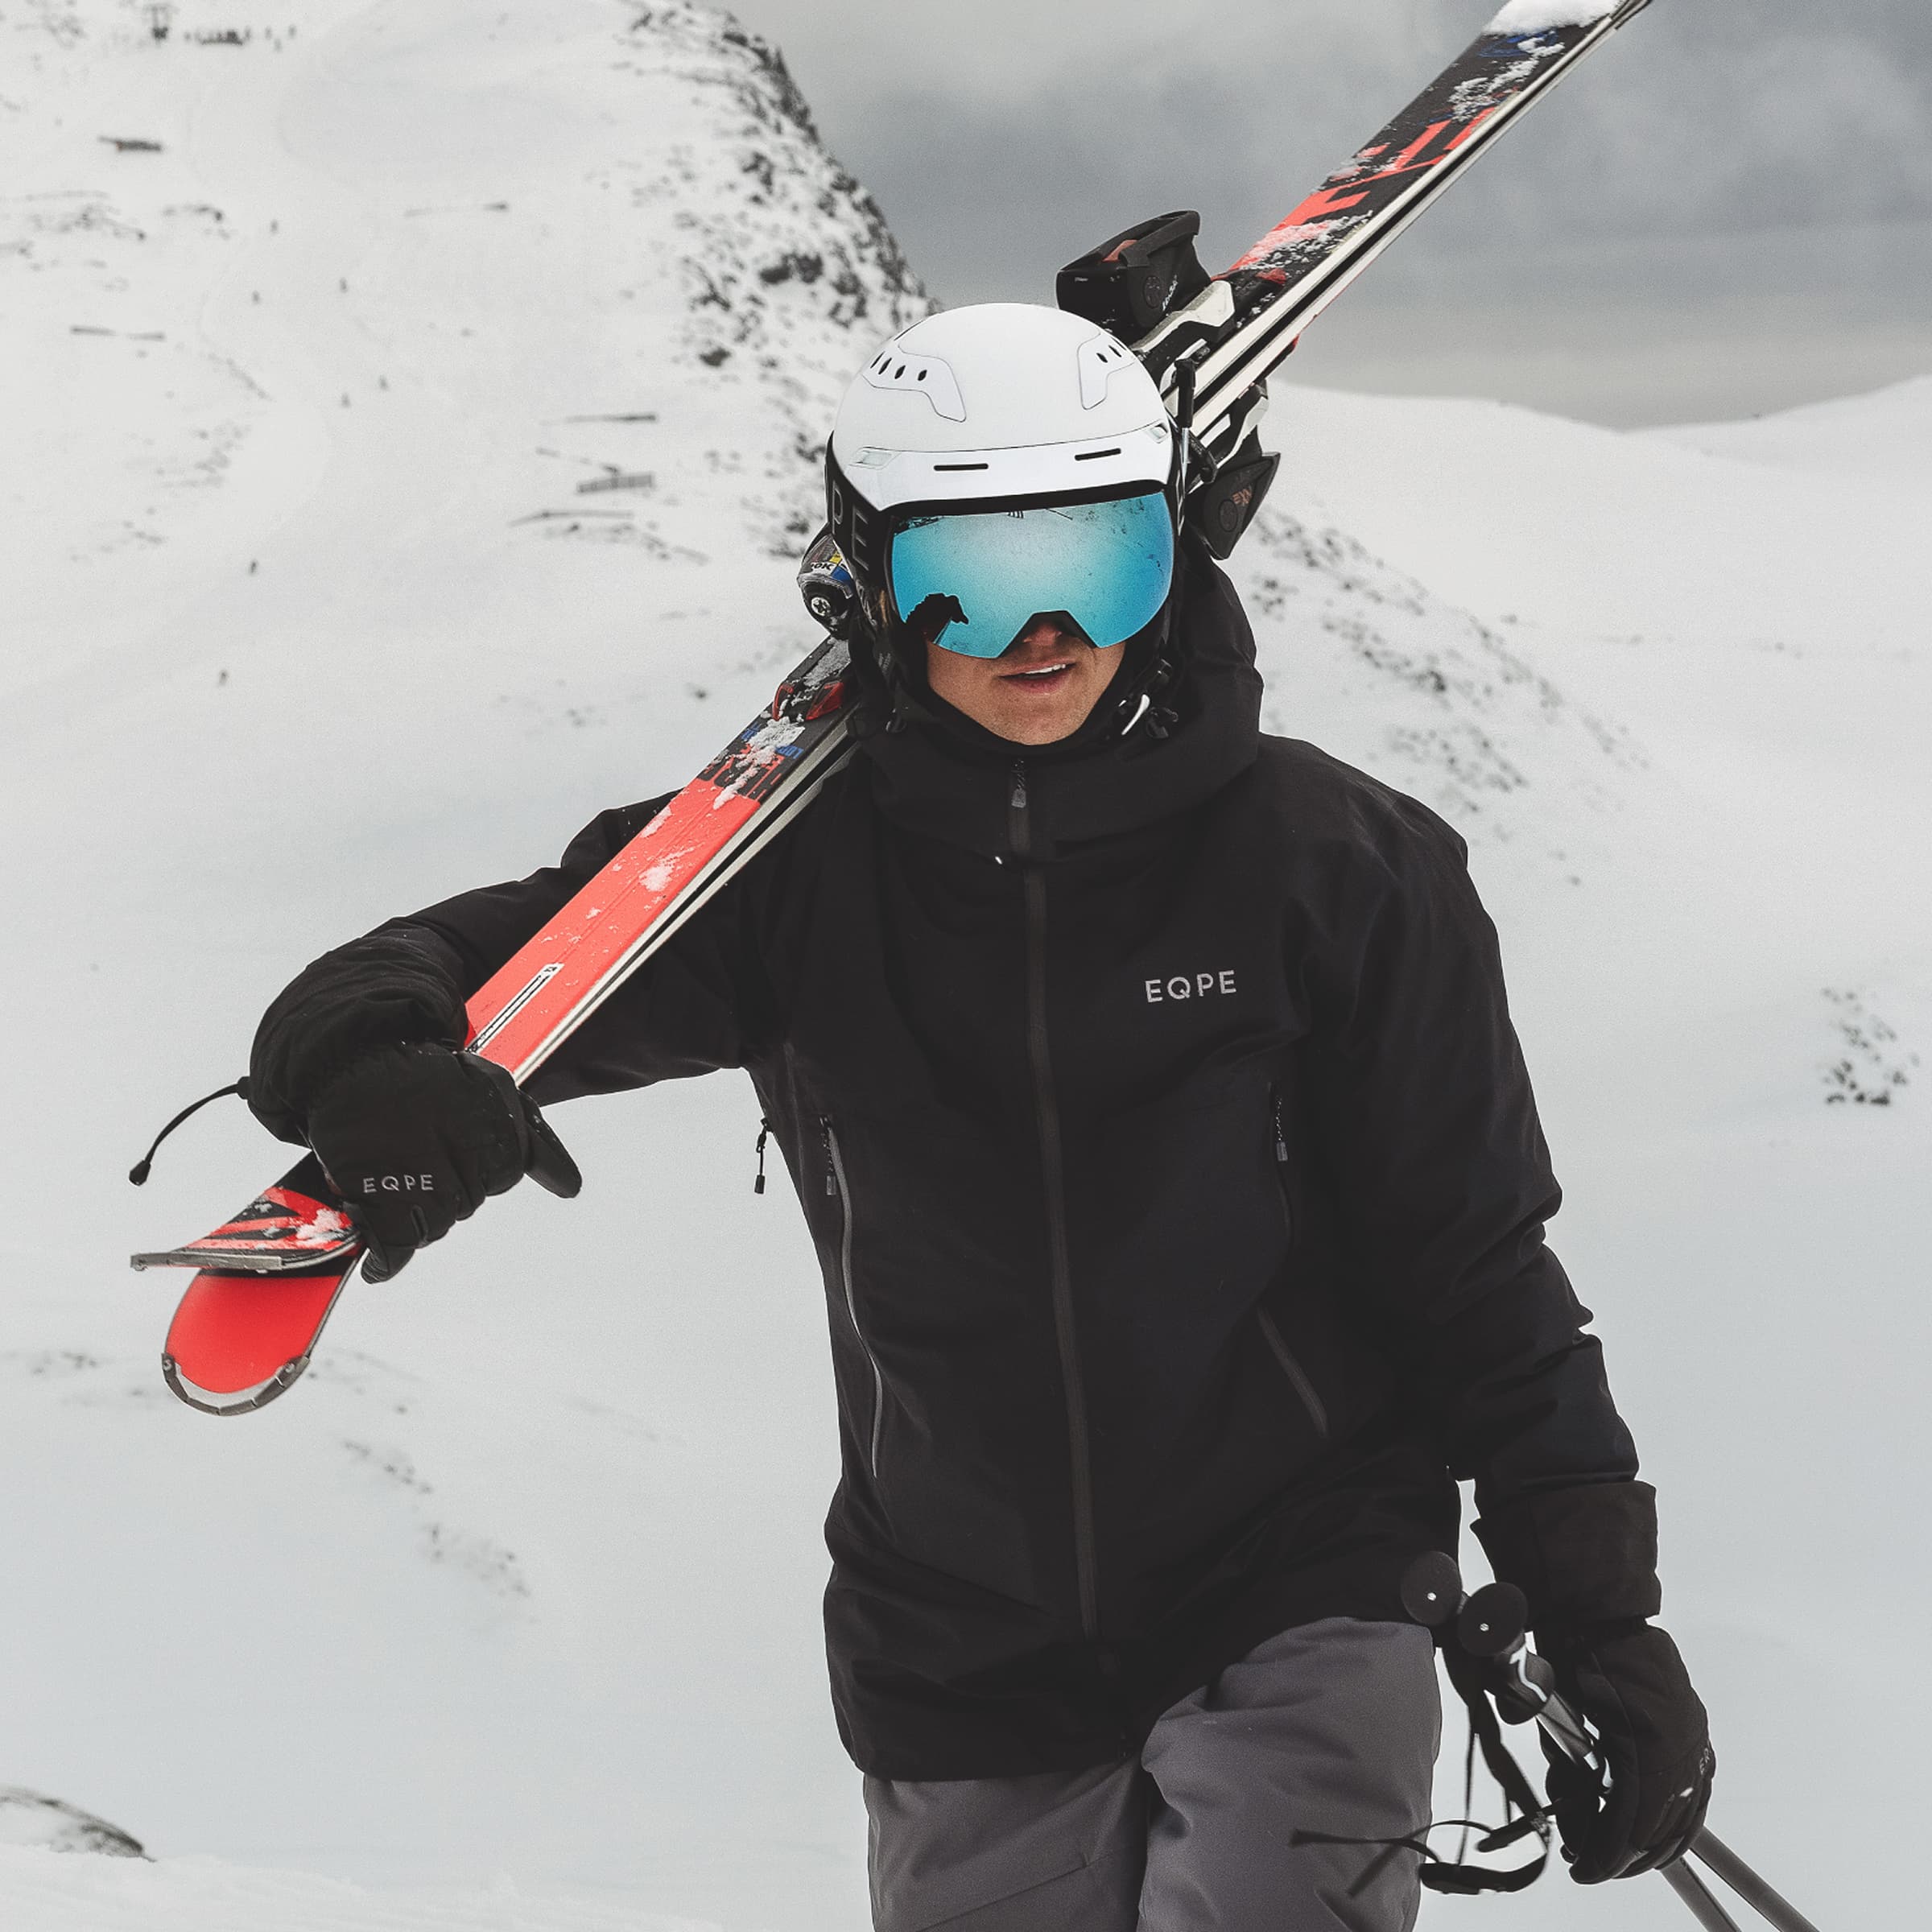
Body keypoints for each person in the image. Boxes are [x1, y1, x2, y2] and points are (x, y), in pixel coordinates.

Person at [246, 303, 1713, 1930]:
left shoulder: (1340, 870)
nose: (1048, 633)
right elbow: (446, 968)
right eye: (985, 574)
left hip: (1306, 1572)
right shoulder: (788, 882)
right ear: (868, 581)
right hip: (958, 1634)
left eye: (1106, 562)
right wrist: (378, 1062)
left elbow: (1479, 1268)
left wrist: (1602, 1625)